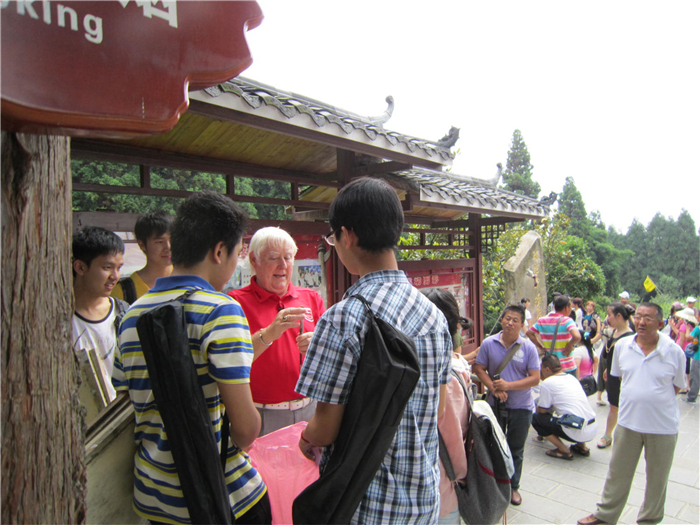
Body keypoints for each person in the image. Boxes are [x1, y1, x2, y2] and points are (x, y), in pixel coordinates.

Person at [295, 177, 453, 524]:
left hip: (364, 507)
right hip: (422, 503)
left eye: (333, 237)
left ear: (347, 236)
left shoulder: (343, 318)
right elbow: (439, 409)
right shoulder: (435, 316)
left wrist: (306, 439)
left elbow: (325, 429)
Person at [113, 192, 270, 524]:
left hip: (155, 498)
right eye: (238, 252)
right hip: (222, 498)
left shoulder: (130, 315)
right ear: (218, 251)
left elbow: (129, 404)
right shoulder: (221, 310)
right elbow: (245, 430)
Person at [577, 303, 686, 525]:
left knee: (657, 479)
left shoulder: (673, 351)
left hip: (662, 427)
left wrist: (652, 399)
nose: (642, 322)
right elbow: (617, 378)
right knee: (617, 473)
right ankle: (605, 516)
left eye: (648, 318)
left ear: (660, 323)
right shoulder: (623, 346)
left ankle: (649, 520)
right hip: (628, 423)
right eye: (639, 316)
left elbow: (676, 387)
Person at [228, 227, 325, 436]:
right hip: (261, 414)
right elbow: (232, 361)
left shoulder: (311, 298)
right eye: (274, 258)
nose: (283, 265)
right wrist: (268, 334)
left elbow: (332, 354)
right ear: (254, 260)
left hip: (310, 409)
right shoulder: (235, 303)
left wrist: (319, 345)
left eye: (288, 258)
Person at [473, 304, 540, 507]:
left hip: (521, 406)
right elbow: (479, 368)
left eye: (515, 320)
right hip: (495, 405)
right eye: (507, 318)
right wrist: (494, 389)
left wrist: (508, 386)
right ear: (502, 320)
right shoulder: (488, 343)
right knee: (494, 446)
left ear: (522, 324)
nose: (510, 323)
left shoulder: (528, 347)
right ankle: (493, 485)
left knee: (515, 448)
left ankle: (513, 486)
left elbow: (535, 378)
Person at [422, 288, 471, 525]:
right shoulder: (458, 367)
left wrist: (460, 475)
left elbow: (451, 440)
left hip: (441, 485)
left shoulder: (445, 378)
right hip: (445, 485)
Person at [72, 226, 127, 403]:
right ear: (80, 267)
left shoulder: (124, 313)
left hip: (120, 415)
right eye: (107, 267)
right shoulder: (58, 320)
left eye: (119, 268)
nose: (115, 276)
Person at [533, 354, 598, 459]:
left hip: (576, 430)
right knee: (573, 412)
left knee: (536, 419)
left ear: (547, 369)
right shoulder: (572, 378)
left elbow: (541, 411)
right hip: (593, 428)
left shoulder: (548, 383)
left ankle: (563, 450)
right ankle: (582, 447)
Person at [111, 210, 173, 303]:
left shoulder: (190, 281)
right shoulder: (124, 291)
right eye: (160, 242)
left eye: (172, 240)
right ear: (142, 245)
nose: (168, 247)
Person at [597, 302, 635, 449]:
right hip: (613, 375)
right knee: (613, 405)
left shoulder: (630, 337)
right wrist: (609, 369)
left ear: (619, 316)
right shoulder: (614, 332)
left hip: (624, 378)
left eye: (609, 315)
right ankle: (608, 435)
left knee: (623, 407)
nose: (607, 318)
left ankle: (624, 436)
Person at [527, 294, 582, 375]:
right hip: (567, 366)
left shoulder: (542, 320)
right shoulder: (567, 321)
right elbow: (577, 336)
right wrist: (570, 345)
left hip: (550, 367)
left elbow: (529, 333)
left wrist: (541, 346)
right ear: (566, 308)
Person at [674, 307, 697, 395]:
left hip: (683, 349)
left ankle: (684, 387)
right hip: (688, 350)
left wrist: (678, 349)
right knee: (687, 368)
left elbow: (682, 339)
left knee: (683, 369)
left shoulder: (684, 326)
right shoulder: (692, 326)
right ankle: (688, 386)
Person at [685, 322, 700, 404]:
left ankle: (691, 397)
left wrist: (687, 329)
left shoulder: (698, 328)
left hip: (698, 356)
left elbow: (688, 338)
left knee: (695, 377)